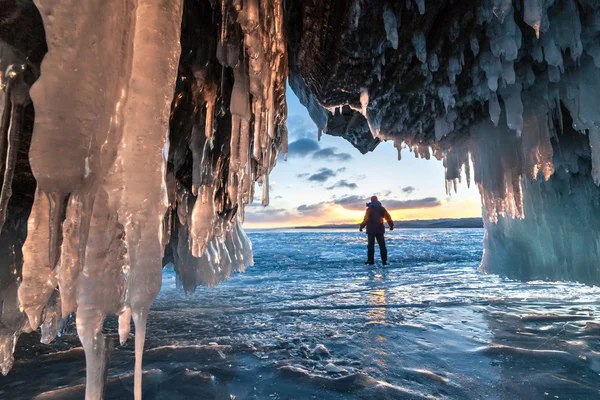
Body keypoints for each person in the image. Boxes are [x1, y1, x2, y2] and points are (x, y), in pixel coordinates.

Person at [359, 196, 394, 265]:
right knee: (382, 246)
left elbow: (366, 219)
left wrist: (361, 226)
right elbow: (388, 217)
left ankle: (370, 261)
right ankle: (384, 261)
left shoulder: (370, 209)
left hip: (371, 230)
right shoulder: (381, 208)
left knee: (370, 246)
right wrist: (391, 225)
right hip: (379, 229)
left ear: (371, 200)